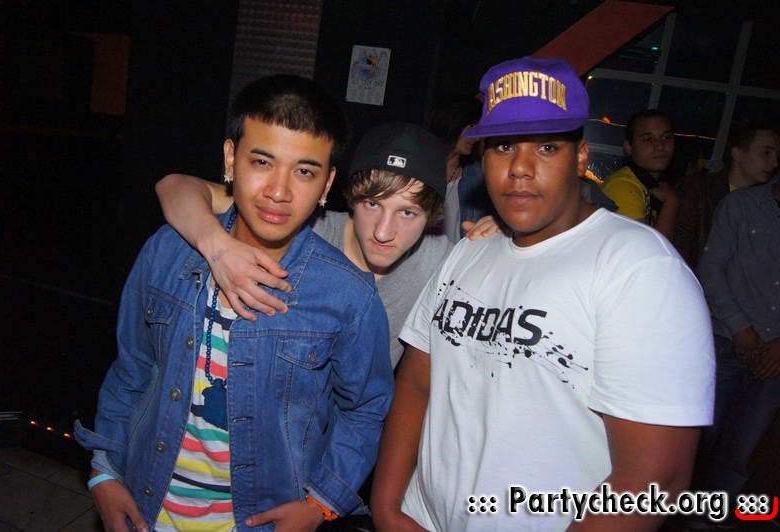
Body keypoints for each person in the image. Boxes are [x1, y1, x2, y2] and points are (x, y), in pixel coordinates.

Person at [370, 56, 715, 531]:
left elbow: (654, 479)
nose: (520, 168)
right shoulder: (471, 248)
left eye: (547, 147)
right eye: (504, 146)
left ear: (581, 157)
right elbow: (417, 383)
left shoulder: (639, 269)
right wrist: (388, 508)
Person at [74, 74, 394, 531]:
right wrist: (104, 470)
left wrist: (321, 503)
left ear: (327, 184)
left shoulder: (347, 294)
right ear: (230, 158)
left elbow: (367, 408)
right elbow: (132, 368)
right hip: (147, 505)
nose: (279, 191)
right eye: (262, 161)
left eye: (304, 171)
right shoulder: (168, 251)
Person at [156, 123, 501, 368]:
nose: (384, 232)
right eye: (372, 204)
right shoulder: (307, 228)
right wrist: (218, 247)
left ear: (433, 216)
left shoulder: (439, 260)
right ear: (351, 198)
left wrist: (507, 233)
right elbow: (175, 185)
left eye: (407, 212)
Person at [693, 176, 780, 526]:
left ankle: (713, 520)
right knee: (697, 440)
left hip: (775, 359)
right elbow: (711, 269)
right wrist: (740, 327)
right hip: (727, 344)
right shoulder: (741, 205)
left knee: (741, 450)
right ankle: (678, 517)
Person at [674, 125, 779, 272]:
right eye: (766, 153)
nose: (774, 163)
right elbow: (680, 247)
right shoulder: (698, 189)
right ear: (738, 154)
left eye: (777, 155)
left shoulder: (767, 202)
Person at [600, 109, 680, 240]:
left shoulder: (654, 184)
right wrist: (672, 202)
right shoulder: (622, 187)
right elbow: (652, 248)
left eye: (666, 137)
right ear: (628, 147)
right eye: (648, 139)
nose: (660, 146)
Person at [427, 93, 494, 242]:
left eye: (478, 128)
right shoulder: (418, 168)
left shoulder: (476, 177)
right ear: (450, 122)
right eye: (471, 126)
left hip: (458, 254)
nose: (476, 137)